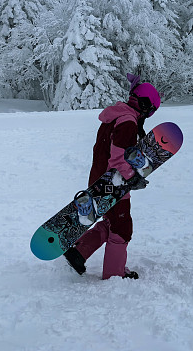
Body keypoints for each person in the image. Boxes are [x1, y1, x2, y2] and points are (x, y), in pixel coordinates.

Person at [63, 74, 161, 279]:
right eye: (150, 111)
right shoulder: (127, 122)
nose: (149, 115)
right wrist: (131, 177)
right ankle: (114, 274)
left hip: (100, 180)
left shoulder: (116, 116)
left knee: (111, 222)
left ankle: (79, 252)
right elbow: (118, 158)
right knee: (122, 228)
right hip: (114, 183)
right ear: (144, 104)